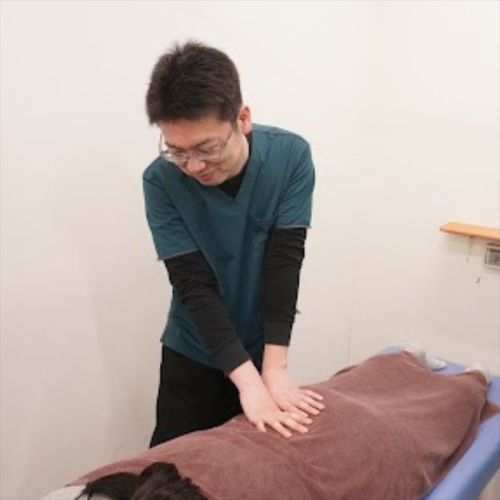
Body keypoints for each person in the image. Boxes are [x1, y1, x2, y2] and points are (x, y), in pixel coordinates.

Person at [142, 40, 323, 447]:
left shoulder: (290, 157)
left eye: (207, 148)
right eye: (176, 151)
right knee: (174, 464)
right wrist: (248, 383)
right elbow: (192, 285)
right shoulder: (160, 180)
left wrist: (274, 369)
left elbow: (284, 263)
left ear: (242, 118)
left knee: (254, 462)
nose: (193, 166)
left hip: (261, 345)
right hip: (194, 350)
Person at [48, 347, 498, 500]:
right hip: (345, 454)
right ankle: (465, 382)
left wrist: (266, 376)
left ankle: (406, 362)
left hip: (265, 433)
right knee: (412, 426)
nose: (195, 166)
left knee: (333, 396)